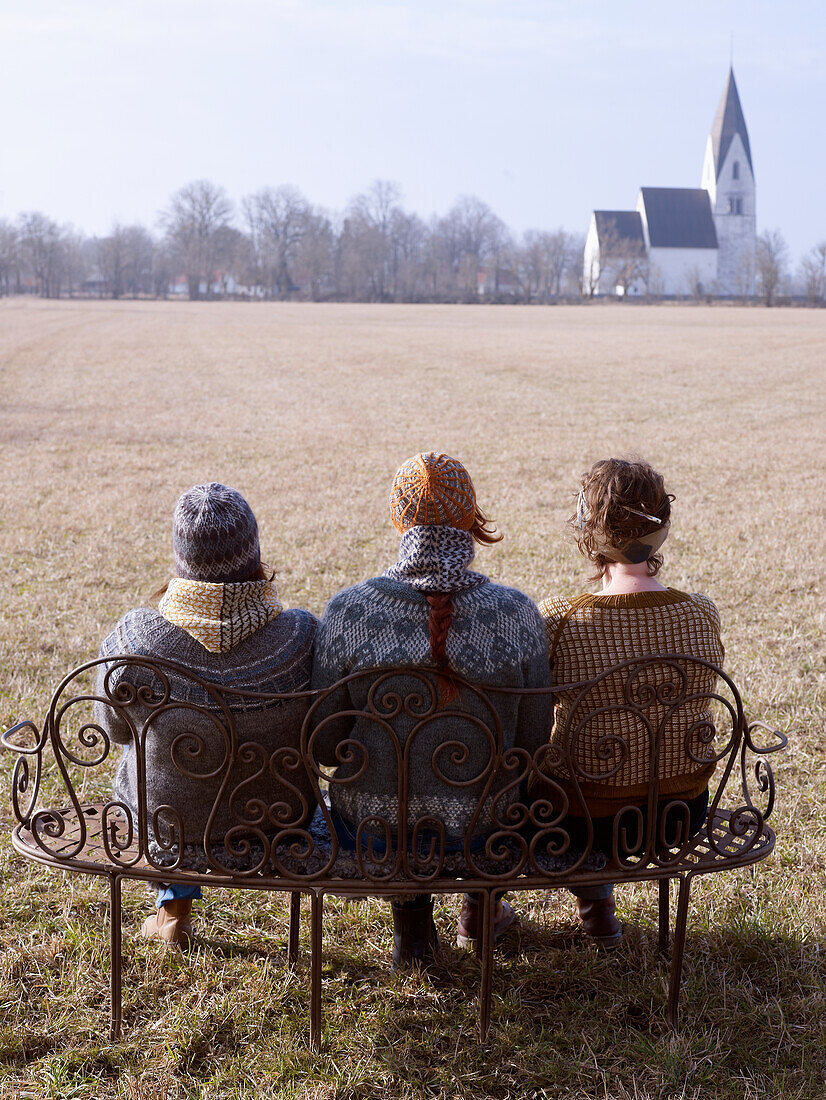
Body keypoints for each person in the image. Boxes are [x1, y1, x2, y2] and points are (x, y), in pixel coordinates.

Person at [311, 452, 550, 966]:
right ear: (470, 518)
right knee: (499, 785)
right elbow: (532, 742)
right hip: (489, 829)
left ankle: (413, 936)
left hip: (372, 830)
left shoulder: (351, 611)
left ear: (400, 520)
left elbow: (324, 743)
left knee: (402, 793)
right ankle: (482, 908)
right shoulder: (515, 613)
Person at [94, 483, 318, 947]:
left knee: (149, 765)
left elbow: (112, 728)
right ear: (253, 551)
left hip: (170, 824)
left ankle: (173, 910)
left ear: (181, 557)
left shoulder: (135, 641)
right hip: (279, 821)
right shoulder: (302, 639)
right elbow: (328, 733)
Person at [531, 457, 724, 948]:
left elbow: (529, 724)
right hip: (680, 814)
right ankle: (597, 912)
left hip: (583, 825)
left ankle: (512, 909)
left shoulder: (560, 620)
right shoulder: (700, 614)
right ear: (660, 534)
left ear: (589, 532)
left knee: (533, 760)